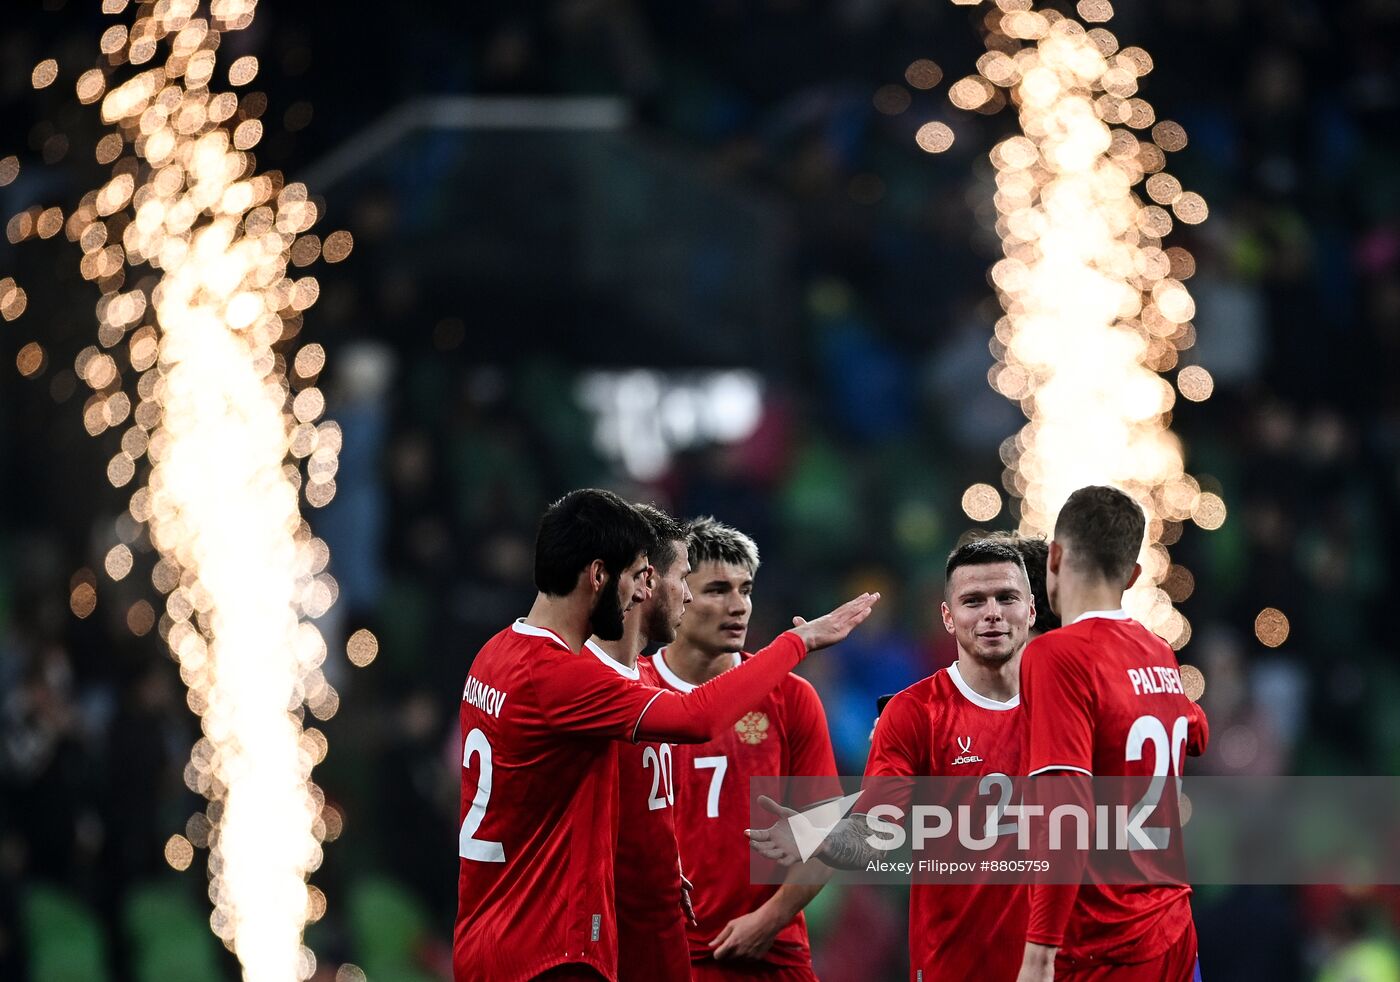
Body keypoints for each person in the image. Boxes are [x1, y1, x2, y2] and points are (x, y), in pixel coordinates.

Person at [454, 489, 880, 982]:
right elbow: (695, 720)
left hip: (498, 933)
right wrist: (797, 641)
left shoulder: (498, 653)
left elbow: (574, 798)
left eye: (746, 589)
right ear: (599, 576)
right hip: (548, 949)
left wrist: (649, 867)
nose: (647, 590)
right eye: (643, 577)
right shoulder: (580, 684)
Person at [751, 537, 1038, 981]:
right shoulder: (913, 713)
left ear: (1031, 610)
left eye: (1006, 598)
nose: (992, 613)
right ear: (948, 617)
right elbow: (874, 830)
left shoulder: (1069, 706)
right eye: (973, 601)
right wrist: (821, 836)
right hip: (953, 965)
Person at [1015, 485, 1204, 982]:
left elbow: (1067, 806)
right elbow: (1195, 728)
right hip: (1175, 930)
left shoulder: (1056, 655)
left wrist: (1039, 953)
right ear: (1134, 575)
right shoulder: (1158, 651)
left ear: (1054, 556)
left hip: (1106, 945)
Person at [650, 517, 840, 981]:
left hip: (771, 953)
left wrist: (770, 918)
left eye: (746, 589)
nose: (738, 606)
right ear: (674, 592)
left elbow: (831, 835)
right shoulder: (634, 694)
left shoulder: (791, 698)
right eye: (717, 589)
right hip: (663, 953)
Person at [585, 504, 695, 981]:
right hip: (605, 940)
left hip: (661, 925)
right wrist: (798, 644)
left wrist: (661, 867)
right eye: (684, 578)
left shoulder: (648, 679)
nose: (687, 596)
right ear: (647, 581)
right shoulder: (583, 685)